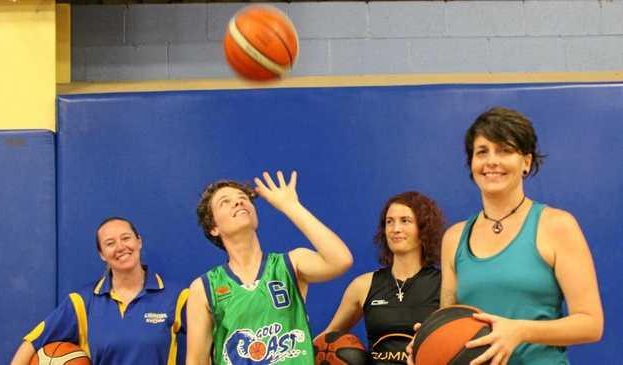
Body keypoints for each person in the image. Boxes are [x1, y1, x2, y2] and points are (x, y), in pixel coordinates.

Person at [420, 107, 603, 365]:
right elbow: (450, 319)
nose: (491, 161)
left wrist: (520, 331)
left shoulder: (557, 225)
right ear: (471, 163)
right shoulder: (454, 237)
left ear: (526, 162)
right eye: (482, 152)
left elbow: (591, 324)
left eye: (505, 150)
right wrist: (428, 343)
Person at [186, 170, 354, 365]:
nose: (239, 202)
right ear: (213, 227)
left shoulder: (291, 263)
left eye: (243, 198)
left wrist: (291, 207)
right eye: (225, 201)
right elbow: (196, 361)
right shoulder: (204, 287)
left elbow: (341, 260)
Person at [10, 217, 189, 365]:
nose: (120, 247)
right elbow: (31, 344)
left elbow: (210, 342)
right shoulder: (82, 302)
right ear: (102, 254)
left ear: (138, 241)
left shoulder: (176, 296)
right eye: (110, 243)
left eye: (126, 238)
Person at [321, 191, 445, 364]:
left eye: (405, 221)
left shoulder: (445, 284)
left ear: (423, 228)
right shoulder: (363, 285)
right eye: (389, 222)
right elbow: (325, 341)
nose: (395, 229)